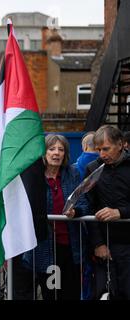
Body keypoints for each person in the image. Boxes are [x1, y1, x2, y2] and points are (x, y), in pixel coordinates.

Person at [19, 134, 89, 300]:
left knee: (71, 292)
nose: (56, 153)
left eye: (61, 149)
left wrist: (75, 212)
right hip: (45, 245)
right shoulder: (34, 175)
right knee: (52, 292)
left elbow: (84, 203)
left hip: (70, 246)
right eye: (51, 149)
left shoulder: (72, 173)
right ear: (44, 152)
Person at [86, 125, 130, 299]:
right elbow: (89, 205)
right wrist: (98, 244)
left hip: (128, 244)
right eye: (98, 150)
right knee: (104, 294)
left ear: (120, 144)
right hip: (105, 245)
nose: (102, 154)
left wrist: (121, 212)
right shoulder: (92, 168)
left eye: (106, 148)